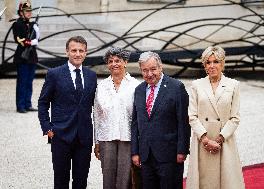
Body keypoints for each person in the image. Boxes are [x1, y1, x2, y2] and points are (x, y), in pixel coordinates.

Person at [38, 36, 97, 189]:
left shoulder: (91, 76)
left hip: (83, 137)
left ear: (85, 53)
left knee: (81, 180)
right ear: (67, 52)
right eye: (74, 50)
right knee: (61, 180)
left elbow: (94, 105)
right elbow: (43, 102)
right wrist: (47, 128)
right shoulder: (54, 74)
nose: (77, 54)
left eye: (81, 51)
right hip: (60, 135)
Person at [186, 46, 245, 189]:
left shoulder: (233, 85)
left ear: (222, 63)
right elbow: (192, 116)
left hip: (224, 142)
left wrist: (219, 139)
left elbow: (235, 117)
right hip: (203, 142)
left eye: (216, 62)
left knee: (226, 182)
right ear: (204, 65)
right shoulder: (196, 85)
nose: (212, 66)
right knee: (204, 182)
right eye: (208, 62)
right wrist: (205, 139)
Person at [131, 51, 190, 189]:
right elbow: (135, 123)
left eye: (153, 69)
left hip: (169, 155)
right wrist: (135, 152)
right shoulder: (139, 90)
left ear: (160, 67)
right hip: (146, 156)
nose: (149, 74)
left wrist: (182, 150)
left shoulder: (176, 87)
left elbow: (183, 122)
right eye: (145, 70)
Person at [93, 47, 140, 189]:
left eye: (118, 60)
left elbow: (139, 116)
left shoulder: (135, 85)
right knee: (108, 177)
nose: (114, 64)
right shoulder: (101, 86)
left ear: (125, 62)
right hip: (106, 138)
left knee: (125, 178)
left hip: (128, 138)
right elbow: (97, 115)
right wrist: (96, 142)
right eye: (110, 61)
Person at [12, 1, 39, 113]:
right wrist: (31, 42)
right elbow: (19, 40)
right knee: (22, 82)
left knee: (29, 82)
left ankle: (28, 104)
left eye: (30, 11)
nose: (29, 13)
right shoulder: (17, 24)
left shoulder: (32, 24)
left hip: (31, 56)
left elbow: (37, 39)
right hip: (22, 56)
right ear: (21, 13)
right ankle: (21, 106)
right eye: (26, 11)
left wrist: (36, 32)